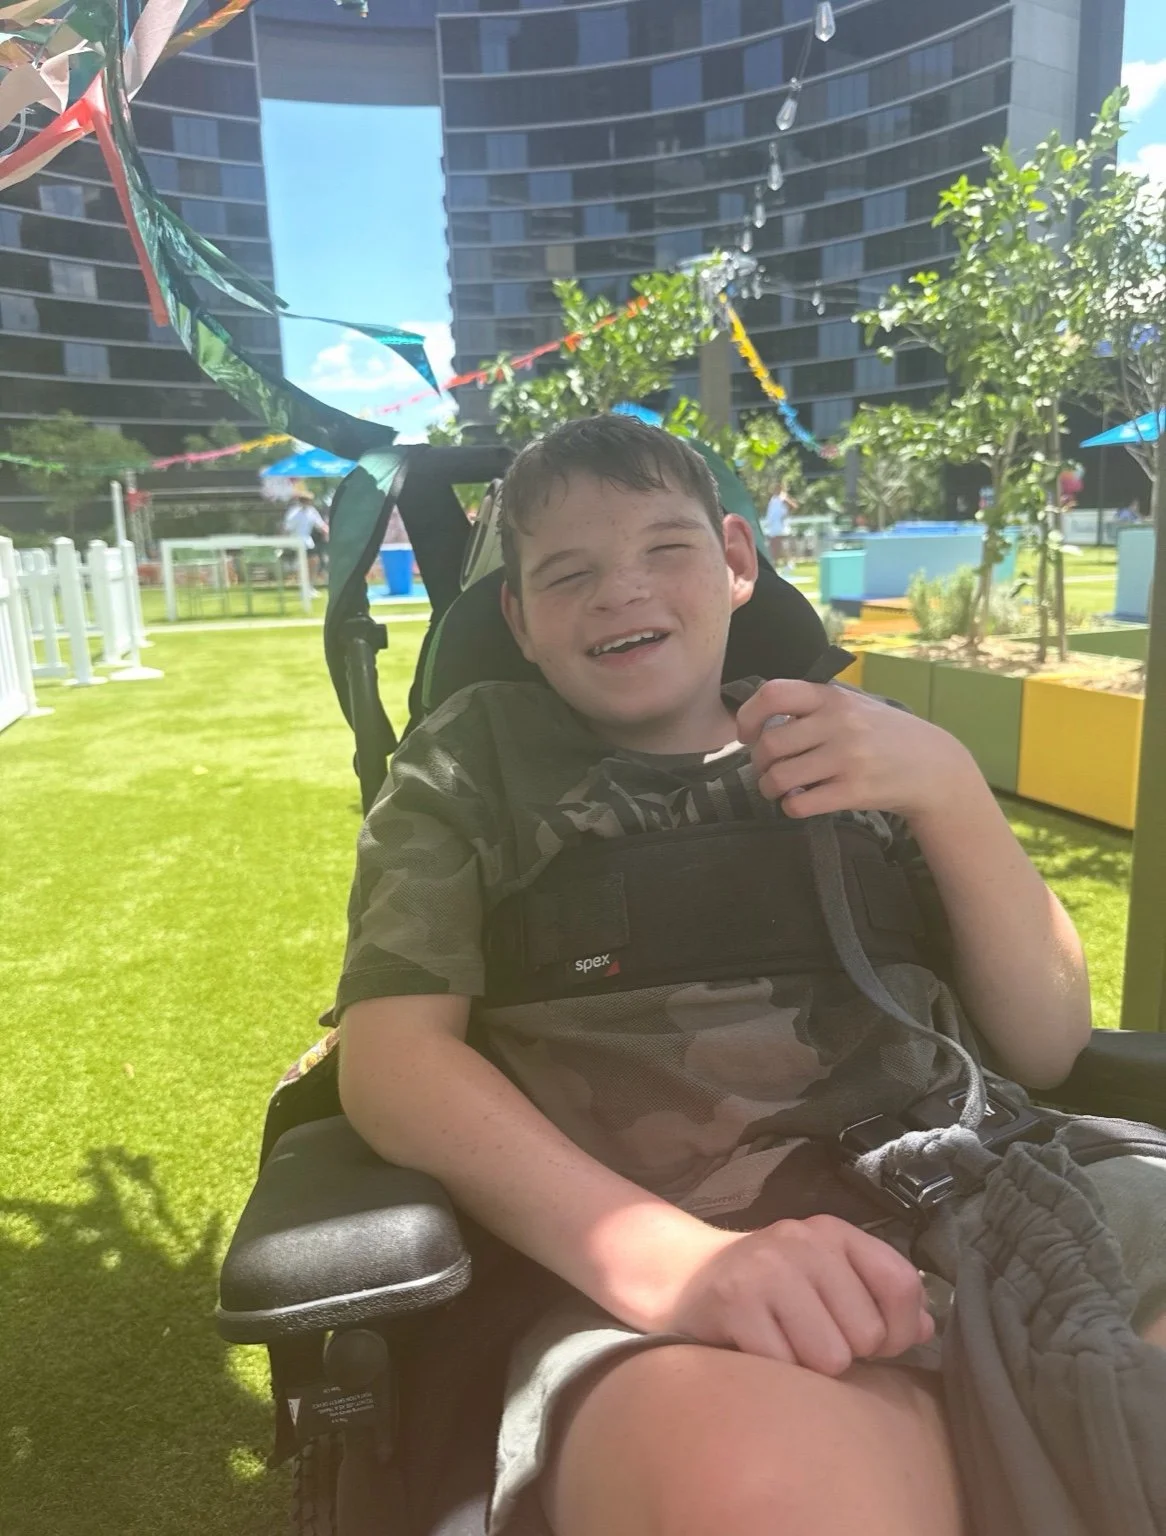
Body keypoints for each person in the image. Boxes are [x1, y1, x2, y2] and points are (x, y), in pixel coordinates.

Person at [335, 416, 1166, 1536]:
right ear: (517, 621)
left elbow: (1046, 1042)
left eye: (664, 548)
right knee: (767, 1494)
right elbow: (393, 1064)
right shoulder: (466, 766)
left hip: (1001, 1182)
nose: (620, 591)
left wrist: (952, 792)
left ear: (736, 562)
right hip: (677, 1235)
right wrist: (672, 1267)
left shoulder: (863, 740)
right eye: (567, 574)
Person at [281, 491, 328, 584]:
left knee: (314, 561)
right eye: (304, 500)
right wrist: (283, 542)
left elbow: (321, 525)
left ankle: (310, 585)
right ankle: (303, 584)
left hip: (307, 542)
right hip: (295, 543)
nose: (307, 502)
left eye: (309, 500)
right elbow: (286, 528)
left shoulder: (312, 511)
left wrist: (326, 532)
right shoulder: (293, 512)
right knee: (304, 564)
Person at [761, 481, 796, 569]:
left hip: (779, 526)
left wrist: (785, 514)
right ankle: (786, 563)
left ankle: (780, 564)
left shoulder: (782, 497)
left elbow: (793, 506)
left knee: (776, 545)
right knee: (778, 546)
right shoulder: (773, 498)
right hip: (773, 526)